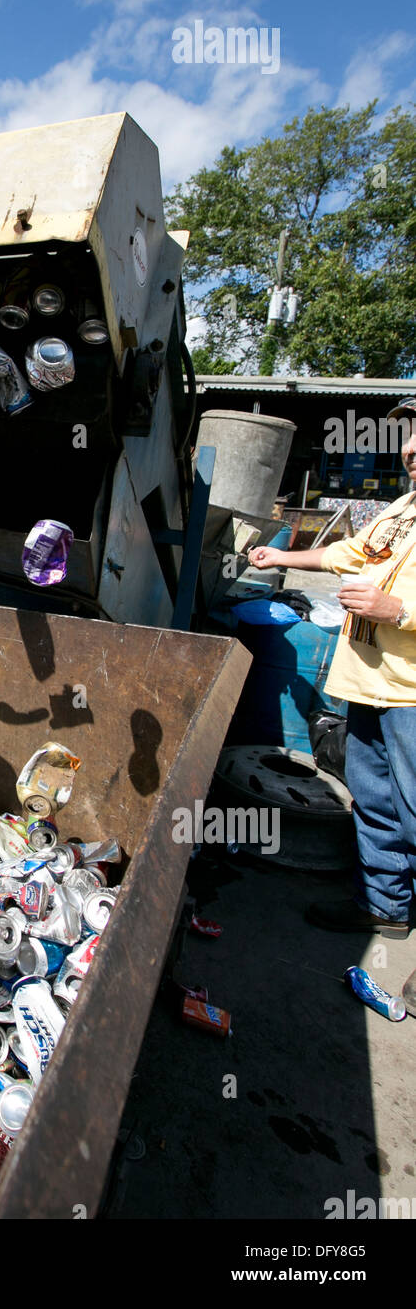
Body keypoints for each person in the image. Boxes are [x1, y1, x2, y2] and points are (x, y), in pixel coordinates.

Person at [248, 398, 416, 1016]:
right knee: (375, 803)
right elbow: (348, 556)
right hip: (373, 685)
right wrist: (280, 558)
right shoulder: (404, 510)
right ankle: (385, 905)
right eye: (411, 434)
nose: (411, 448)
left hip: (414, 695)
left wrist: (399, 611)